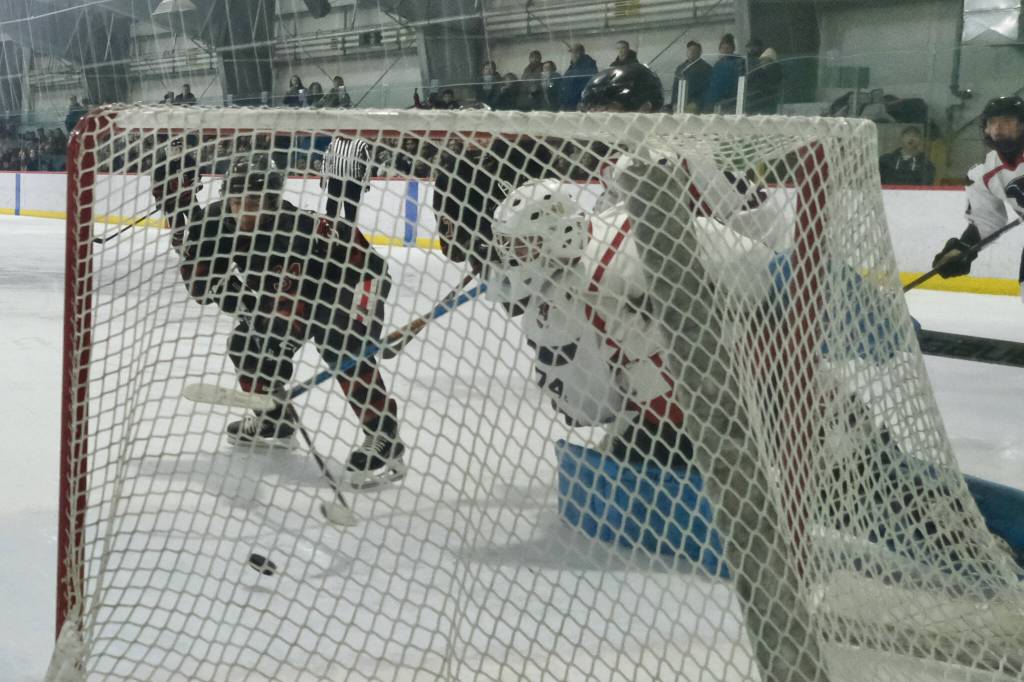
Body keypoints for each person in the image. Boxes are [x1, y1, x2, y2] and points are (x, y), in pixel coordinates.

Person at [177, 153, 405, 490]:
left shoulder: (291, 233)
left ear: (272, 201)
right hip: (289, 290)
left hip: (350, 281)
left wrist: (278, 334)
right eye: (238, 201)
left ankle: (385, 440)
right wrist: (229, 292)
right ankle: (275, 421)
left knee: (340, 345)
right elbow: (201, 282)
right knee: (244, 347)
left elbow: (295, 301)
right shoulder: (213, 221)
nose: (246, 210)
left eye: (255, 202)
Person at [932, 95, 1024, 285]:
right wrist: (964, 248)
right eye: (992, 123)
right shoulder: (985, 174)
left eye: (1007, 122)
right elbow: (986, 220)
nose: (998, 128)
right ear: (986, 129)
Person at [322, 135, 373, 223]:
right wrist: (323, 176)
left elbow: (368, 164)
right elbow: (326, 159)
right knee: (331, 210)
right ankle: (331, 233)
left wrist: (366, 182)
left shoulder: (360, 144)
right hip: (335, 181)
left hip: (352, 183)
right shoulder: (334, 143)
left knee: (351, 213)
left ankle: (348, 235)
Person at [703, 34, 743, 112]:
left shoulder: (738, 62)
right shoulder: (718, 64)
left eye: (728, 48)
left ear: (733, 49)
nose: (725, 50)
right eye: (722, 48)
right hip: (712, 100)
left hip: (727, 101)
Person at [670, 41, 712, 113]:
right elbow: (675, 87)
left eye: (695, 50)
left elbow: (707, 89)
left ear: (700, 52)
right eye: (690, 50)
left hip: (696, 103)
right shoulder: (681, 68)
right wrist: (674, 102)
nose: (692, 52)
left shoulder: (706, 68)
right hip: (680, 102)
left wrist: (697, 103)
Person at [744, 47, 783, 115]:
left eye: (766, 60)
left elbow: (772, 88)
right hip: (754, 106)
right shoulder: (756, 73)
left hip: (767, 107)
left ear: (772, 62)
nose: (763, 62)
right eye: (762, 60)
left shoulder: (776, 73)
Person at [560, 43, 599, 112]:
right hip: (570, 102)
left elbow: (586, 84)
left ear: (579, 53)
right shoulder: (573, 66)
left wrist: (582, 101)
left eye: (573, 52)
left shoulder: (587, 64)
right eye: (571, 53)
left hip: (578, 103)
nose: (571, 55)